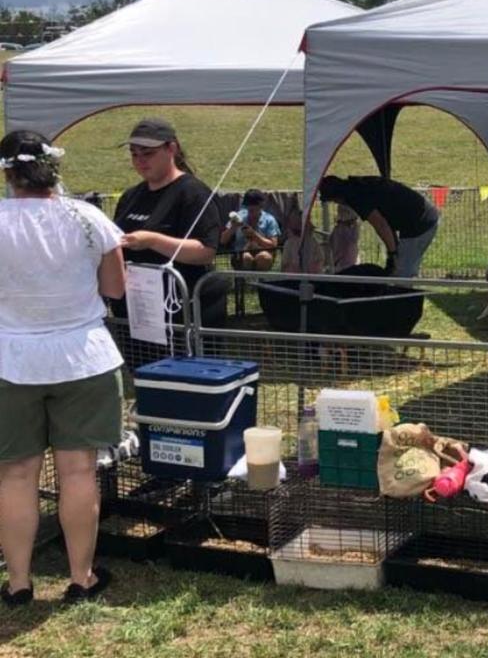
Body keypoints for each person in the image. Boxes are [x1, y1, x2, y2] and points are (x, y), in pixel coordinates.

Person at [0, 129, 126, 606]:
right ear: (53, 167)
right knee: (78, 472)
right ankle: (81, 577)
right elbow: (114, 288)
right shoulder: (88, 217)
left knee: (14, 475)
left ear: (8, 172)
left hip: (11, 358)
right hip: (83, 355)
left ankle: (18, 583)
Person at [111, 118, 226, 327]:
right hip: (138, 309)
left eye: (148, 154)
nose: (140, 161)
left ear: (171, 148)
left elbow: (206, 250)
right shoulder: (131, 196)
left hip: (180, 310)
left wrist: (153, 241)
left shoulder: (193, 193)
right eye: (134, 154)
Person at [318, 174, 439, 277]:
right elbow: (386, 221)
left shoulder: (355, 197)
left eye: (333, 200)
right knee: (399, 269)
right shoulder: (357, 185)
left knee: (402, 273)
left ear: (337, 196)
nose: (336, 203)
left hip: (420, 222)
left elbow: (381, 225)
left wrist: (392, 255)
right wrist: (393, 250)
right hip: (418, 217)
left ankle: (402, 301)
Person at [220, 189, 280, 271]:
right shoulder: (239, 216)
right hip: (241, 253)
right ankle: (244, 282)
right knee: (246, 258)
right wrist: (233, 228)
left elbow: (273, 245)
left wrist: (254, 236)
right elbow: (223, 240)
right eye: (248, 208)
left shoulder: (269, 220)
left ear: (261, 206)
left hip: (262, 253)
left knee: (263, 257)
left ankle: (260, 281)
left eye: (253, 210)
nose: (250, 212)